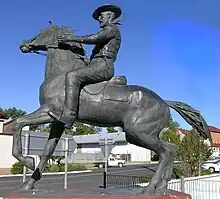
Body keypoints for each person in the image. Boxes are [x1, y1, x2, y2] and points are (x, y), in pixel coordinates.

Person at [47, 4, 122, 129]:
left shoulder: (111, 29)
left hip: (103, 66)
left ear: (110, 16)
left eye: (101, 16)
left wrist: (71, 38)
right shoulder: (109, 30)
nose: (99, 19)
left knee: (72, 76)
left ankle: (69, 115)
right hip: (97, 64)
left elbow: (95, 37)